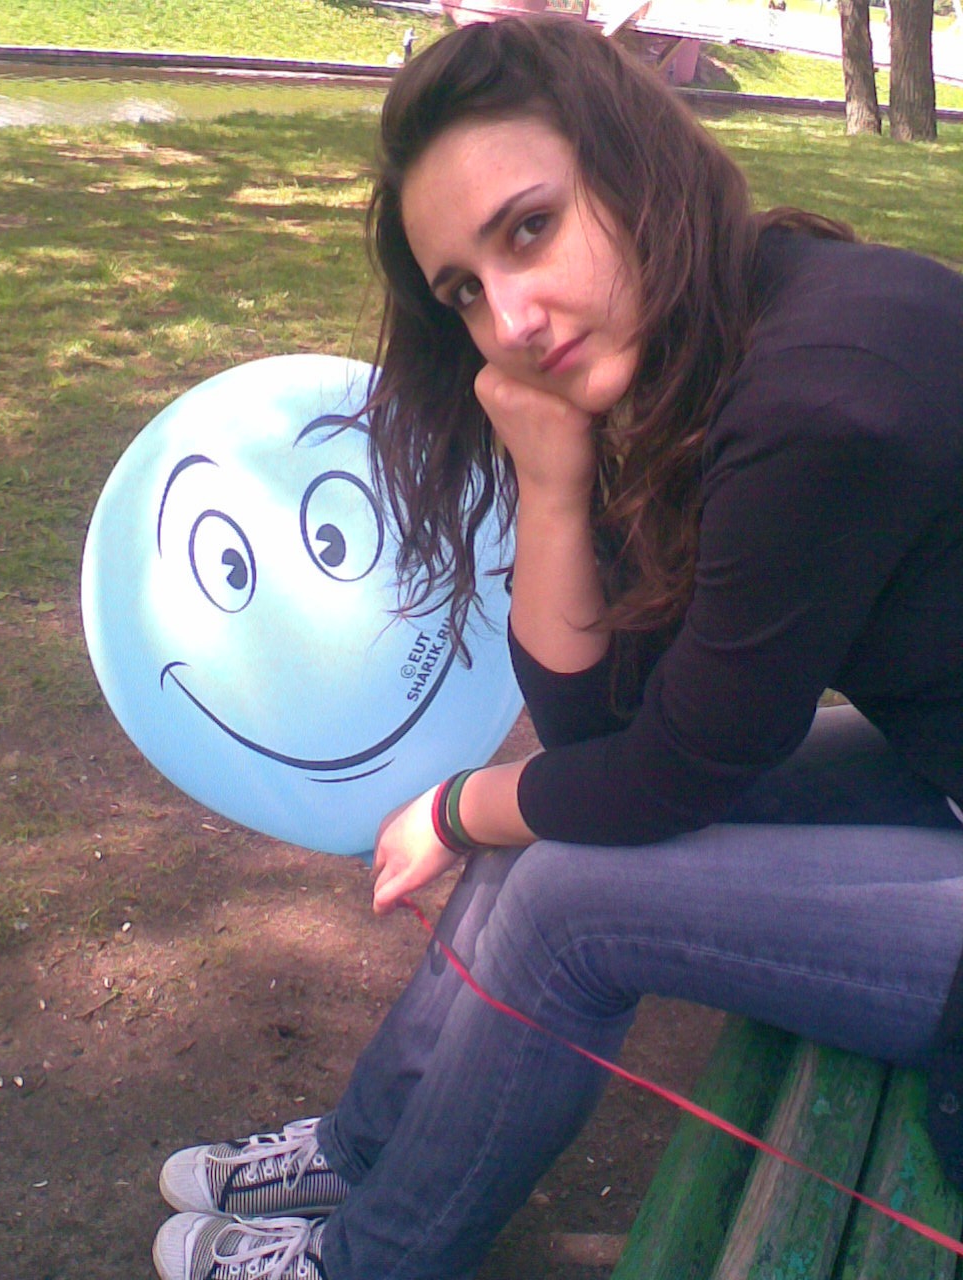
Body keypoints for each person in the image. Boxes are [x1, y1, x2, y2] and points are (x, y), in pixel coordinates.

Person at [151, 15, 963, 1280]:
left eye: (528, 228)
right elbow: (603, 739)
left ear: (632, 164)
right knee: (546, 821)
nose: (511, 318)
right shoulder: (735, 322)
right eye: (464, 291)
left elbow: (668, 774)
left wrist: (454, 806)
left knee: (563, 900)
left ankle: (366, 1260)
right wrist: (549, 481)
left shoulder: (821, 393)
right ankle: (367, 1148)